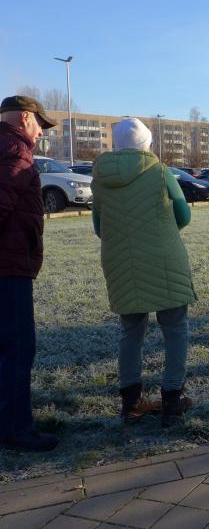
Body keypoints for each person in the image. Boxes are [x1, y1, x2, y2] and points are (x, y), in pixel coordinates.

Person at [91, 118, 196, 427]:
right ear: (148, 144)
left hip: (121, 261)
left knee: (130, 331)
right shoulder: (161, 172)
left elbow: (99, 227)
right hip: (165, 258)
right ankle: (172, 399)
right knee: (175, 328)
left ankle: (131, 403)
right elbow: (183, 215)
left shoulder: (100, 179)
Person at [0, 96, 59, 452]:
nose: (41, 133)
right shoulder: (15, 151)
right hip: (9, 268)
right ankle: (16, 429)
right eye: (40, 125)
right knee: (17, 347)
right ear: (25, 117)